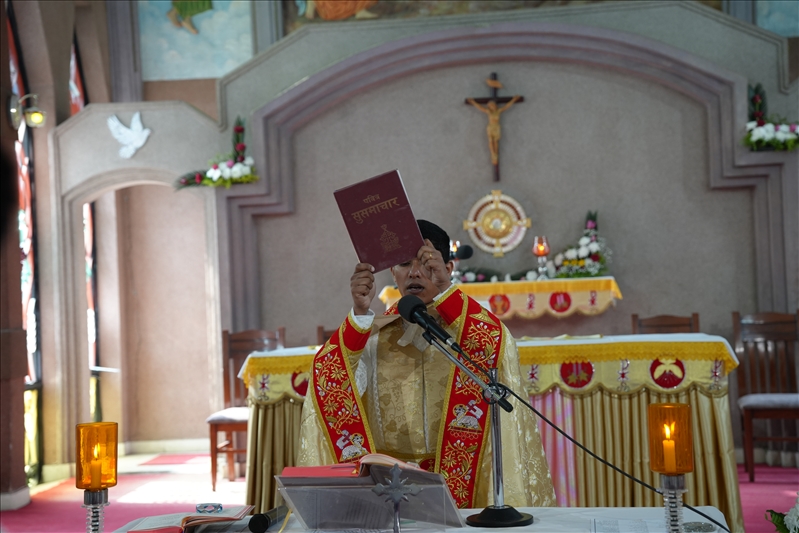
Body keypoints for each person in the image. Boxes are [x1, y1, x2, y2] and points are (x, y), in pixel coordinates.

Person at [297, 220, 555, 509]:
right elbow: (330, 375)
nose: (414, 272)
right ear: (392, 272)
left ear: (448, 268)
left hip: (461, 486)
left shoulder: (467, 333)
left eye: (426, 262)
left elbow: (497, 348)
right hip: (388, 486)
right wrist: (359, 314)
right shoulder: (373, 336)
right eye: (404, 264)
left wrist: (446, 290)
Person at [466, 96, 521, 165]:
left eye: (493, 105)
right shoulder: (488, 112)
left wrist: (513, 99)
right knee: (490, 141)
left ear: (495, 106)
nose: (492, 107)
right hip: (490, 127)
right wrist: (473, 102)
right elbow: (480, 107)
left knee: (495, 141)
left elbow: (507, 106)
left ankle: (496, 155)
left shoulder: (498, 111)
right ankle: (493, 154)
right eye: (490, 106)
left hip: (496, 127)